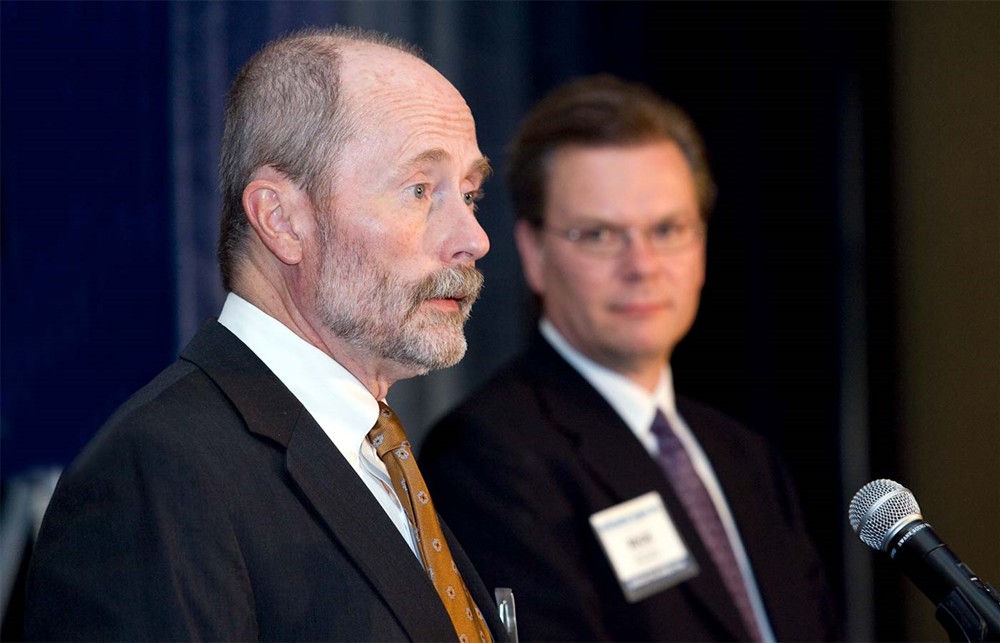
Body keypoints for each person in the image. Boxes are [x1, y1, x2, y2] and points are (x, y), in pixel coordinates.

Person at [24, 26, 507, 642]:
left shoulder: (374, 451)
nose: (473, 238)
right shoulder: (157, 475)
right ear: (282, 221)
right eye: (420, 190)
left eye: (469, 193)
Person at [421, 75, 839, 642]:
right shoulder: (490, 456)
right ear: (534, 253)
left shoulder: (743, 457)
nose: (642, 265)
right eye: (599, 234)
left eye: (667, 229)